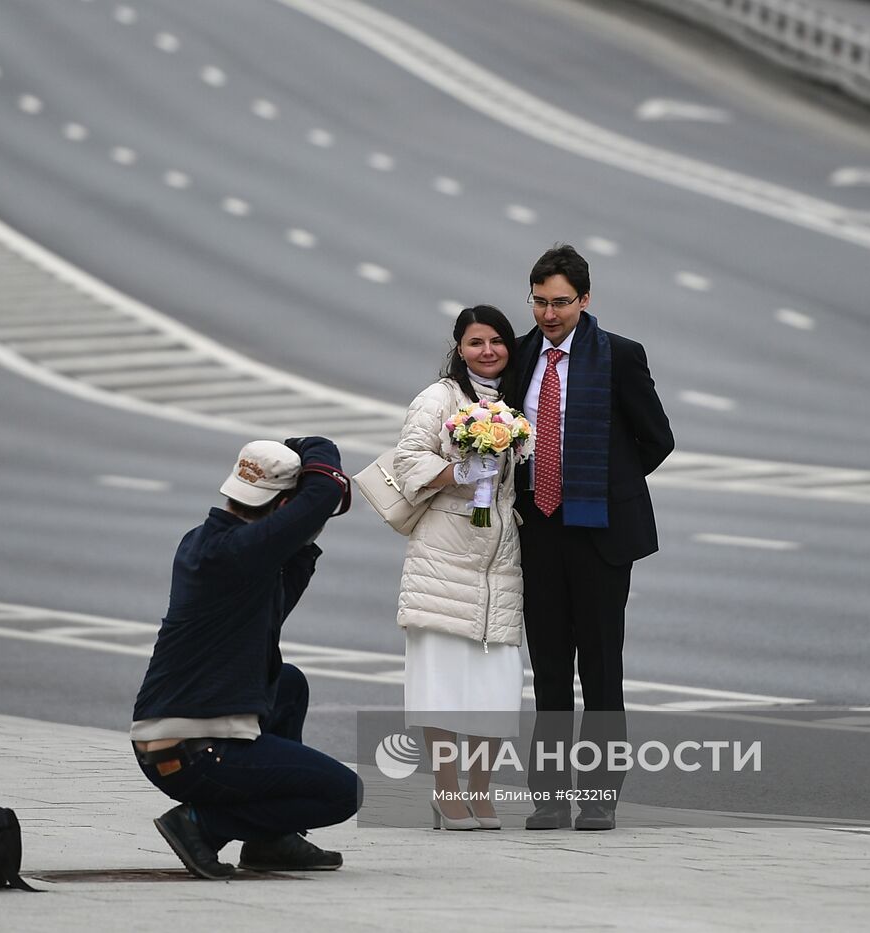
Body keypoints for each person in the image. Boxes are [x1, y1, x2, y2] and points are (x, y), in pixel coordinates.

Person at [131, 437, 363, 879]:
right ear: (281, 508)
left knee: (289, 683)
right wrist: (306, 451)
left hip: (171, 738)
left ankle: (269, 840)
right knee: (344, 793)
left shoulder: (206, 541)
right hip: (193, 752)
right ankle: (200, 825)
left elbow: (272, 613)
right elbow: (325, 488)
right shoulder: (243, 552)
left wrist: (301, 542)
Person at [505, 244, 674, 831]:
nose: (549, 314)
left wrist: (604, 483)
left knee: (601, 670)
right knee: (550, 671)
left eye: (561, 303)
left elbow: (657, 439)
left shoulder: (619, 356)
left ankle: (599, 797)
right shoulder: (520, 357)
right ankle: (549, 797)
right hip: (540, 532)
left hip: (600, 535)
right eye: (540, 302)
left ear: (585, 299)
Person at [390, 305, 525, 831]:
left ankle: (482, 791)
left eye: (496, 341)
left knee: (496, 682)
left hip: (500, 558)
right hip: (444, 555)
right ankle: (447, 792)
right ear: (459, 347)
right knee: (441, 680)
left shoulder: (517, 402)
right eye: (475, 342)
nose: (487, 351)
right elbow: (407, 462)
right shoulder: (439, 397)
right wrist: (460, 470)